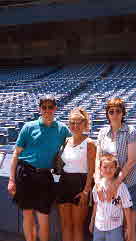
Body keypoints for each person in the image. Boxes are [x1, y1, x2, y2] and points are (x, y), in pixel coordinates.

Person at [8, 94, 71, 241]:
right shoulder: (28, 127)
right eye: (44, 107)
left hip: (44, 176)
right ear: (39, 109)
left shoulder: (62, 129)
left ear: (55, 108)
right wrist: (12, 180)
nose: (47, 110)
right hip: (25, 173)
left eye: (50, 107)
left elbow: (75, 142)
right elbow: (16, 155)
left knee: (44, 217)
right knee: (27, 214)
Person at [95, 97, 136, 241]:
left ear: (123, 113)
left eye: (118, 111)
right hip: (107, 186)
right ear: (107, 114)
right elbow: (98, 159)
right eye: (111, 111)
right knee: (111, 227)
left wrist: (117, 182)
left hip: (128, 183)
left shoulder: (130, 131)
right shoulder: (102, 132)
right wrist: (97, 182)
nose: (115, 114)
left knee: (129, 229)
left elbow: (132, 160)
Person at [56, 107, 96, 241]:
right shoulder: (66, 141)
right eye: (72, 122)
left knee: (78, 226)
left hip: (81, 184)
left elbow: (91, 170)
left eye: (78, 122)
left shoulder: (89, 143)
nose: (75, 125)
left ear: (85, 124)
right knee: (65, 225)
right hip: (64, 182)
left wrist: (86, 191)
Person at [89, 154, 133, 241]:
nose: (108, 170)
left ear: (116, 169)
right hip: (99, 227)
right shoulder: (97, 186)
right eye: (105, 167)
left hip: (115, 228)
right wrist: (92, 221)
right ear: (100, 169)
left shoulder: (121, 187)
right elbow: (96, 205)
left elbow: (127, 209)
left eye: (111, 167)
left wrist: (129, 228)